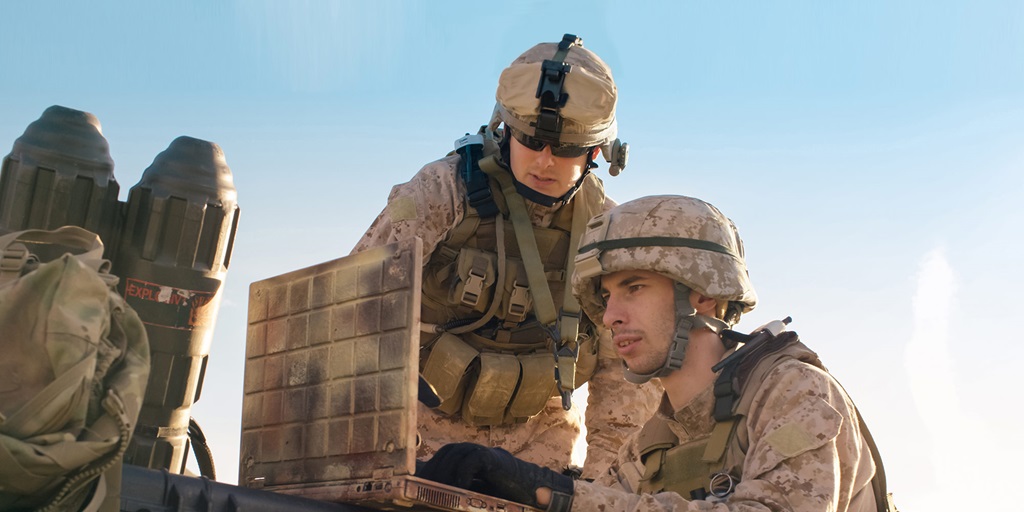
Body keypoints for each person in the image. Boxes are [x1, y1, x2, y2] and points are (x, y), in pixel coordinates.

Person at [418, 195, 896, 512]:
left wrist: (554, 494)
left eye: (635, 288)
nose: (610, 318)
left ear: (704, 296)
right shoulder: (651, 444)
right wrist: (497, 482)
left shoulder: (794, 392)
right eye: (606, 298)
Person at [352, 34, 660, 478]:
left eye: (567, 149)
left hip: (537, 459)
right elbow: (355, 302)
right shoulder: (443, 191)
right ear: (504, 130)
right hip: (415, 442)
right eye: (531, 140)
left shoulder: (608, 234)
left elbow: (625, 376)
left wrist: (598, 487)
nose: (545, 161)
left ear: (596, 152)